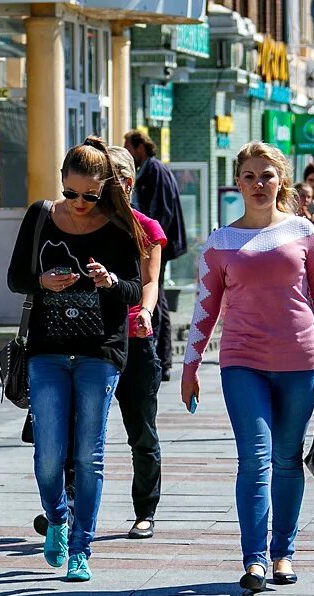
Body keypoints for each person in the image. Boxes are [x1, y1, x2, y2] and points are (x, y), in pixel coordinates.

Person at [181, 142, 314, 592]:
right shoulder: (221, 242)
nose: (258, 184)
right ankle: (253, 559)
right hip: (242, 362)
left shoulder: (305, 234)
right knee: (255, 458)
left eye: (266, 175)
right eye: (249, 176)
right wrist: (190, 367)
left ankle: (282, 553)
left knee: (287, 459)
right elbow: (204, 309)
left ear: (281, 181)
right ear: (238, 182)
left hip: (300, 361)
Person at [8, 137, 142, 582]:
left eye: (90, 195)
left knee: (90, 454)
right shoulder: (41, 215)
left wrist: (110, 281)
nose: (80, 203)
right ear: (62, 180)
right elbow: (14, 278)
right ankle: (57, 517)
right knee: (49, 454)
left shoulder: (119, 226)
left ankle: (82, 547)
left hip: (99, 351)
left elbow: (135, 291)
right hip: (46, 349)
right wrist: (42, 281)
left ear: (104, 188)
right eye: (72, 193)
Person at [109, 146, 168, 538]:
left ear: (127, 184)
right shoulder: (80, 224)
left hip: (134, 339)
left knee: (141, 431)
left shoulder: (147, 228)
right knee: (79, 430)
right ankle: (70, 507)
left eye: (107, 178)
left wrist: (145, 311)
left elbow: (150, 281)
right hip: (89, 340)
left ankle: (145, 511)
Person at [124, 129, 186, 382]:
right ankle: (162, 358)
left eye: (128, 147)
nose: (127, 152)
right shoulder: (150, 169)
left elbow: (161, 212)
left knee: (155, 299)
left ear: (140, 147)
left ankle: (160, 357)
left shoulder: (155, 170)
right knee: (157, 298)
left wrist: (149, 243)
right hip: (155, 243)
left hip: (157, 244)